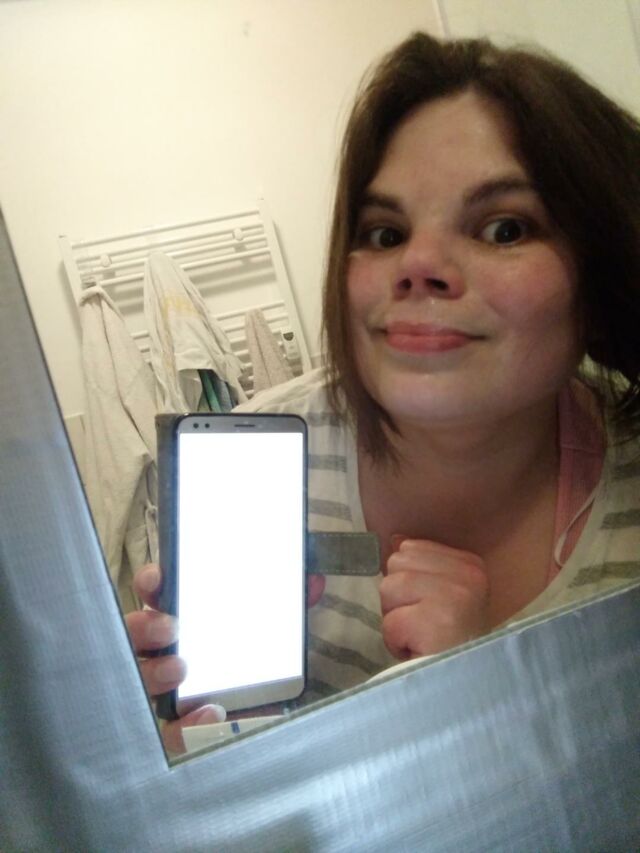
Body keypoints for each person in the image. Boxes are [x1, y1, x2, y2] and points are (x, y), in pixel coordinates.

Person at [128, 32, 640, 753]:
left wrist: (485, 693)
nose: (417, 263)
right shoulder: (258, 461)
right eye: (384, 231)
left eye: (504, 228)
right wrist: (165, 753)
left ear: (601, 265)